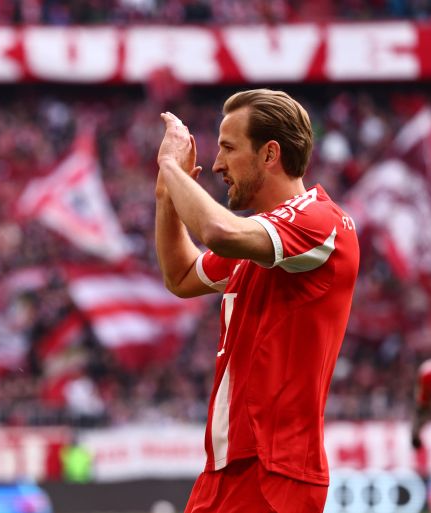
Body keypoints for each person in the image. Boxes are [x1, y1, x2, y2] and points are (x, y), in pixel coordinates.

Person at [154, 89, 359, 513]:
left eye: (228, 148)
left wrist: (170, 165)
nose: (216, 165)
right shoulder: (260, 239)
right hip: (223, 471)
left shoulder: (319, 221)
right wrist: (165, 198)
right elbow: (181, 275)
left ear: (270, 154)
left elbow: (217, 232)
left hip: (276, 472)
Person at [412, 358, 431, 449]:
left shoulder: (426, 368)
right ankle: (415, 437)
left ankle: (415, 437)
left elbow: (420, 393)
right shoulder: (427, 370)